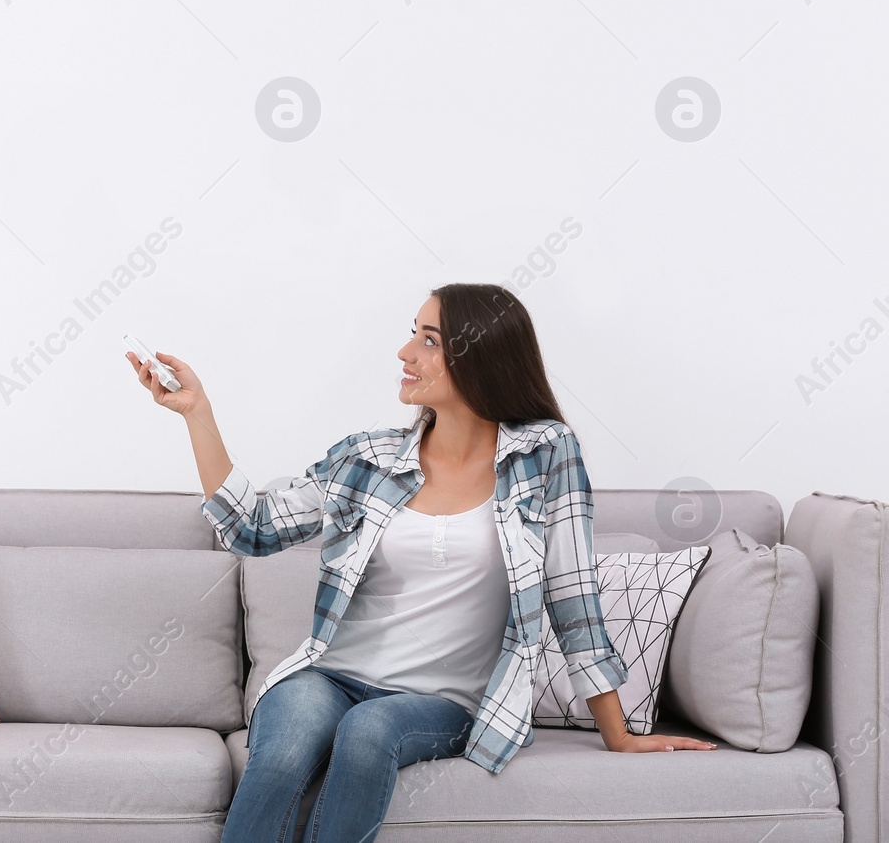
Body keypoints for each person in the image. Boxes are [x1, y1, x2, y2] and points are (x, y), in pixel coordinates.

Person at [126, 283, 715, 843]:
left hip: (446, 701)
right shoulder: (369, 459)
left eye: (429, 339)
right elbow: (253, 528)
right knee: (284, 748)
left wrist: (619, 736)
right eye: (414, 333)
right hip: (331, 677)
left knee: (369, 730)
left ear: (478, 355)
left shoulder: (546, 455)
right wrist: (196, 414)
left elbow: (572, 595)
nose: (405, 352)